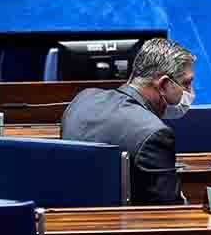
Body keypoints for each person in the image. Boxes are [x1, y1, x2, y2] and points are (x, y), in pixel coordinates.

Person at [61, 38, 196, 205]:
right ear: (163, 85)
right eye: (186, 84)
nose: (190, 92)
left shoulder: (82, 101)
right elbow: (169, 211)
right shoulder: (155, 134)